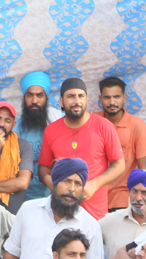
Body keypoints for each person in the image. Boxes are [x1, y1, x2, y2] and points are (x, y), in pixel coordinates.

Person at [38, 78, 125, 220]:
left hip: (95, 213)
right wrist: (56, 187)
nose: (76, 101)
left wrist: (94, 185)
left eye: (81, 96)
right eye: (71, 96)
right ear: (61, 101)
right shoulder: (51, 130)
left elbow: (119, 164)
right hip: (61, 211)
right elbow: (43, 169)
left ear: (86, 99)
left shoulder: (103, 126)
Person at [97, 77, 146, 212]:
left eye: (116, 97)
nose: (112, 102)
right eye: (107, 97)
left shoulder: (137, 125)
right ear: (100, 99)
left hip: (122, 196)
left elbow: (143, 170)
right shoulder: (93, 121)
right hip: (93, 193)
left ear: (124, 98)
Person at [16, 71, 62, 204]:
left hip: (54, 197)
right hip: (23, 199)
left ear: (46, 98)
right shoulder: (15, 129)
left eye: (39, 95)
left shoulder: (60, 122)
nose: (34, 101)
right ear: (24, 98)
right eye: (29, 95)